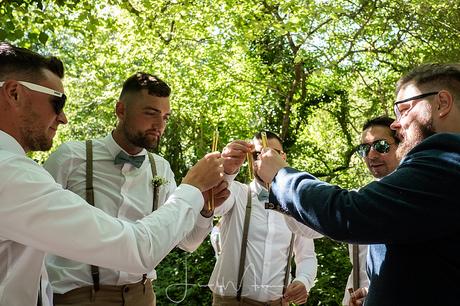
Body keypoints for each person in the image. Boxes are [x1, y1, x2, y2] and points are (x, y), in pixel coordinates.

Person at [0, 42, 225, 306]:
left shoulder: (161, 168)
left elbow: (186, 242)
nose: (63, 118)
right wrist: (192, 187)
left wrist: (204, 207)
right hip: (79, 297)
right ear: (14, 93)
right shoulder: (27, 170)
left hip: (141, 294)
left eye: (165, 117)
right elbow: (135, 248)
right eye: (57, 102)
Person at [256, 63, 460, 305]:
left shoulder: (446, 160)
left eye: (404, 109)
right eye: (364, 149)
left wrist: (282, 176)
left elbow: (350, 212)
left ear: (442, 103)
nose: (396, 124)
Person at [209, 131, 318, 306]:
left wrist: (303, 281)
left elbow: (306, 256)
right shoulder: (237, 192)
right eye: (257, 154)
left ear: (283, 157)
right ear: (250, 160)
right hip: (230, 302)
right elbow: (214, 206)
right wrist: (228, 170)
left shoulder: (295, 204)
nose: (266, 158)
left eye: (273, 153)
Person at [343, 116, 399, 306]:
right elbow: (309, 229)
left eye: (381, 146)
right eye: (364, 149)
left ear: (402, 145)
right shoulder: (358, 199)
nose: (371, 155)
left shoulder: (421, 196)